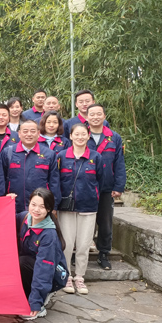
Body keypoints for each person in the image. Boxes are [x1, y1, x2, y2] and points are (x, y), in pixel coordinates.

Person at [57, 123, 104, 295]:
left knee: (84, 244)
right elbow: (56, 180)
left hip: (88, 206)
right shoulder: (62, 156)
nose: (80, 137)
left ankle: (80, 277)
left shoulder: (96, 157)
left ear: (88, 136)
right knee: (67, 244)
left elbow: (101, 180)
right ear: (70, 136)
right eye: (76, 134)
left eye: (83, 134)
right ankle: (66, 276)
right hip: (66, 208)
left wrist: (92, 195)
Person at [17, 188, 69, 320]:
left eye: (42, 206)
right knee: (17, 261)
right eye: (33, 204)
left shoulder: (49, 235)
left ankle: (39, 302)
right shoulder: (24, 218)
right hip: (32, 266)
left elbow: (44, 269)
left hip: (52, 274)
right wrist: (7, 201)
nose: (36, 209)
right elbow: (3, 219)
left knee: (22, 263)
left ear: (49, 209)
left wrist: (35, 303)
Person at [86, 104, 126, 270]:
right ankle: (79, 253)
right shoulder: (81, 134)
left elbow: (119, 163)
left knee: (105, 222)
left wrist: (119, 186)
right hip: (85, 186)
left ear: (104, 116)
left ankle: (103, 254)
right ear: (87, 117)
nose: (95, 117)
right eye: (92, 114)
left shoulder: (114, 137)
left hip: (106, 187)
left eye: (98, 114)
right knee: (84, 221)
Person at [0, 119, 61, 213]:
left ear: (38, 133)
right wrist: (3, 198)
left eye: (32, 131)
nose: (29, 134)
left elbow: (54, 183)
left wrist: (54, 206)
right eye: (25, 131)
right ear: (19, 134)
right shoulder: (8, 153)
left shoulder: (49, 154)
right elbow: (1, 179)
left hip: (40, 208)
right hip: (13, 205)